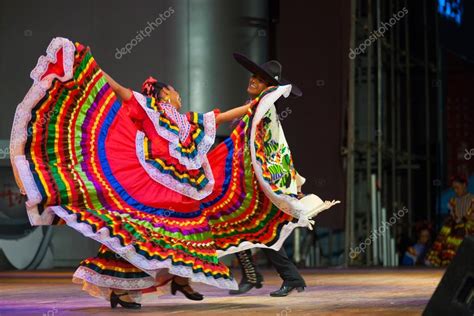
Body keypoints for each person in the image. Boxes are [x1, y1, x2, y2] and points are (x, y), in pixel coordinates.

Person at [10, 38, 338, 308]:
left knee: (164, 231)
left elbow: (217, 118)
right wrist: (96, 72)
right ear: (165, 94)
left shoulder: (179, 119)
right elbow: (125, 92)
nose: (179, 95)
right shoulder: (155, 110)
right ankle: (144, 286)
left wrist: (265, 101)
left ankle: (168, 283)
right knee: (149, 229)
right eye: (175, 92)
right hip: (156, 183)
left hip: (178, 186)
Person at [229, 53, 307, 297]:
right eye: (253, 76)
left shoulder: (263, 107)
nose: (253, 80)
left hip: (266, 179)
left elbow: (273, 148)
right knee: (243, 225)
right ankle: (255, 274)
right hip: (258, 177)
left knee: (263, 230)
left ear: (268, 88)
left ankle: (286, 277)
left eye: (260, 79)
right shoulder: (259, 106)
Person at [426, 175, 473, 267]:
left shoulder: (472, 199)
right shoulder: (452, 201)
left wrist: (463, 219)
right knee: (446, 234)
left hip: (469, 228)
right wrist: (455, 219)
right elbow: (453, 215)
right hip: (456, 226)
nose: (455, 191)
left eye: (457, 188)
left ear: (464, 185)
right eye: (454, 188)